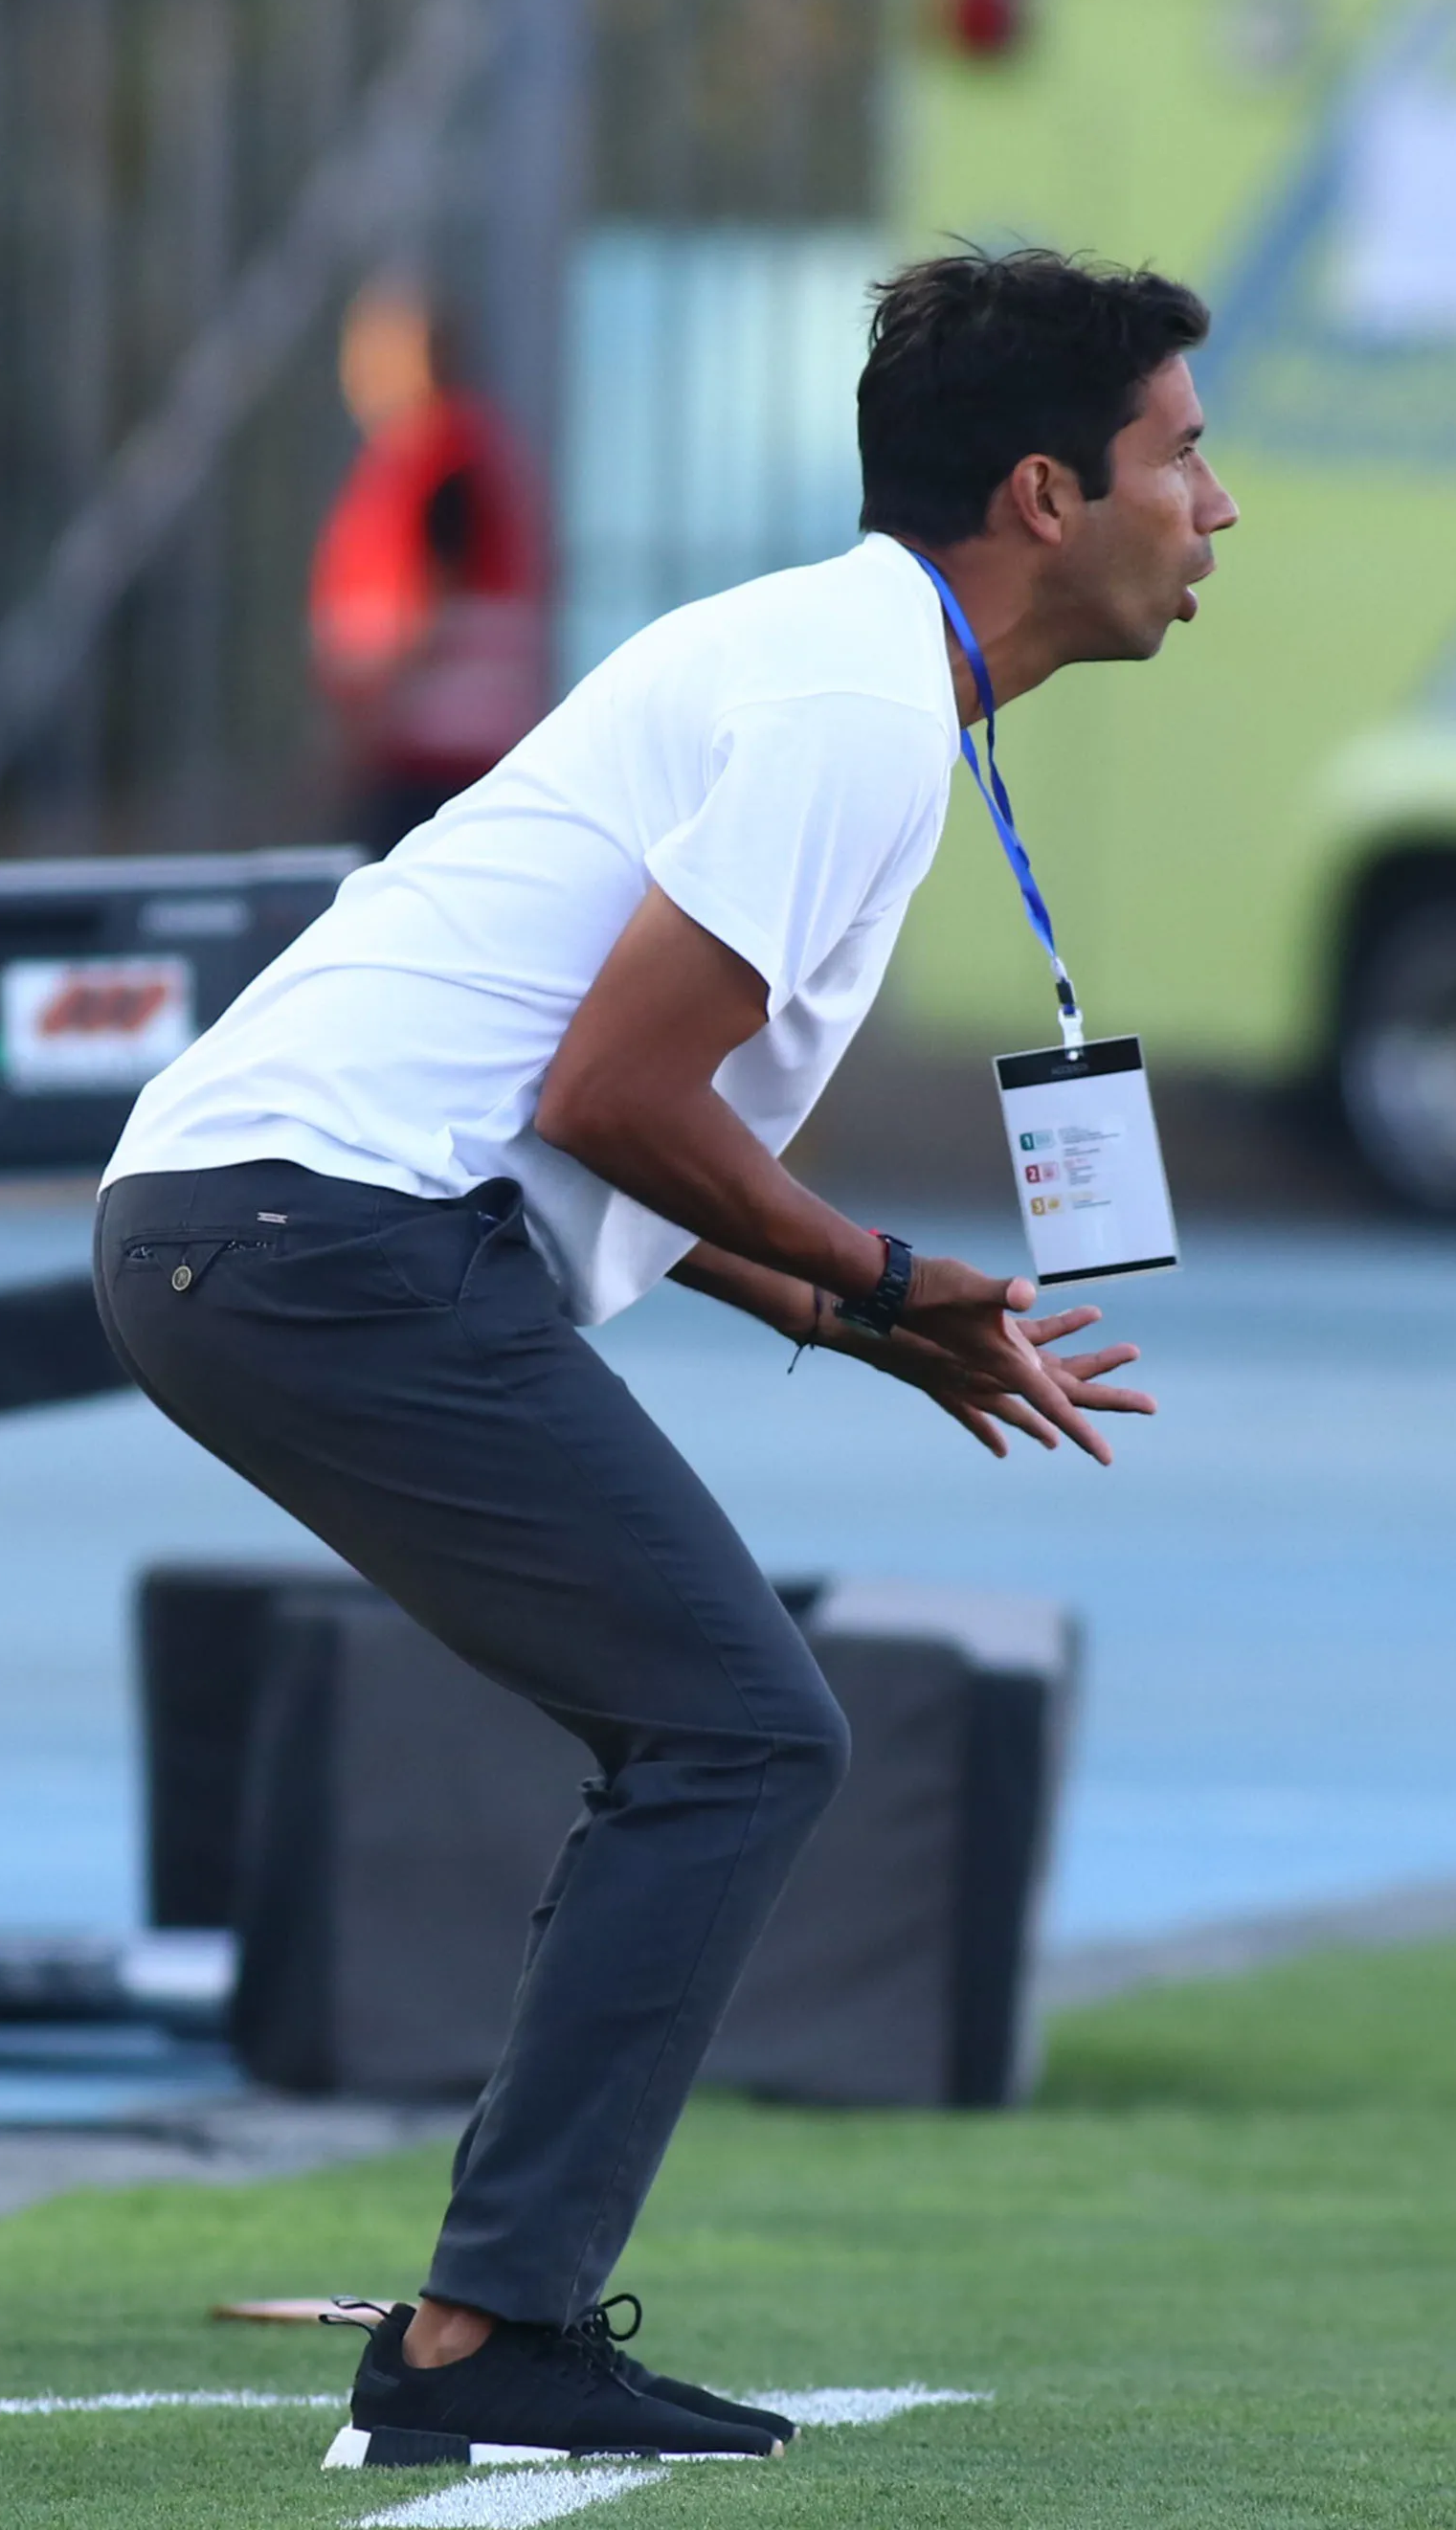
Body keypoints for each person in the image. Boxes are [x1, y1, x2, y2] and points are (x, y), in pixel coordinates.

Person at [97, 248, 1232, 2461]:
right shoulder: (856, 707)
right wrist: (887, 1269)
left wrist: (845, 1309)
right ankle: (483, 2337)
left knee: (715, 1726)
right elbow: (612, 1093)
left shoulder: (844, 668)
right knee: (738, 1729)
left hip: (274, 1225)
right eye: (1184, 454)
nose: (1219, 506)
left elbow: (579, 1099)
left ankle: (490, 2324)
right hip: (322, 1236)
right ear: (1043, 493)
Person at [307, 270, 551, 856]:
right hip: (435, 754)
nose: (356, 373)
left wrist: (362, 712)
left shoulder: (440, 461)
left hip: (434, 761)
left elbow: (424, 604)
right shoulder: (438, 455)